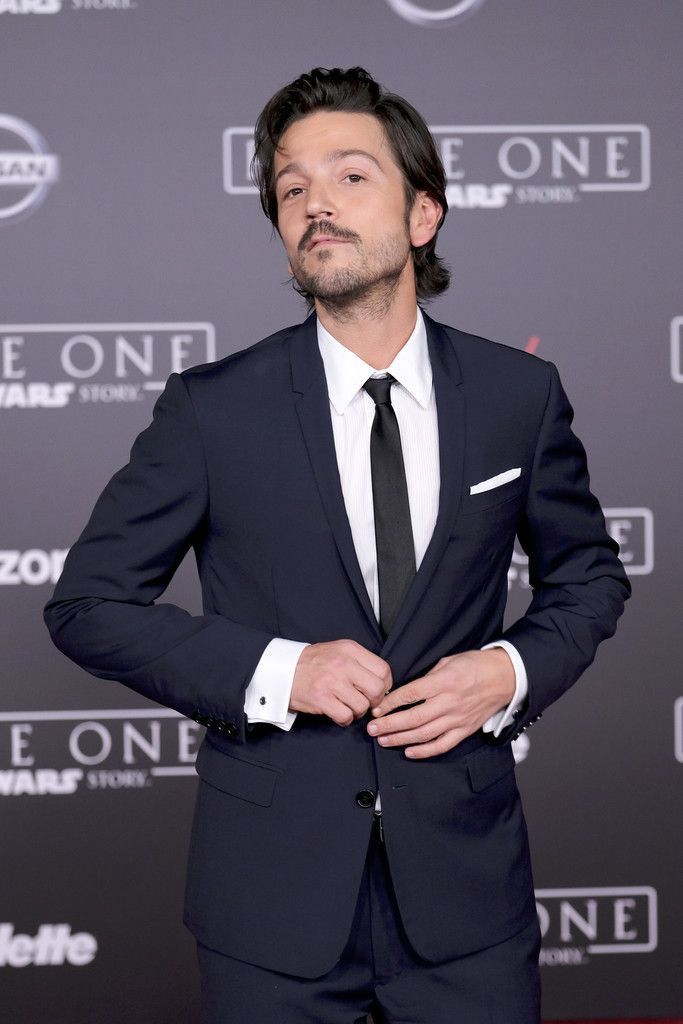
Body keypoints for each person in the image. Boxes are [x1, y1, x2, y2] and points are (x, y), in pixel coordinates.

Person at [44, 66, 630, 1023]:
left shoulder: (515, 396)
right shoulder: (211, 410)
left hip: (467, 903)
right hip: (270, 911)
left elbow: (589, 574)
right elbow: (85, 606)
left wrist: (508, 672)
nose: (314, 202)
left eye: (349, 176)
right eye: (289, 187)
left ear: (423, 214)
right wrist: (281, 670)